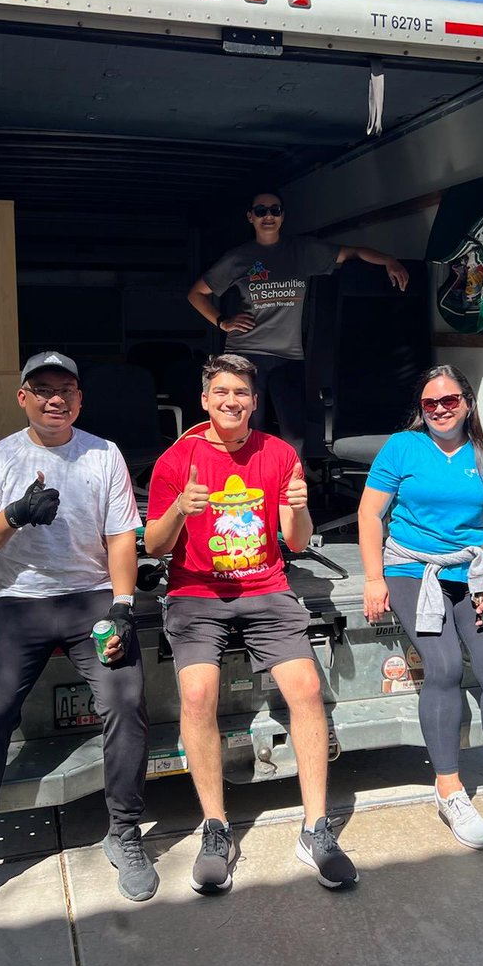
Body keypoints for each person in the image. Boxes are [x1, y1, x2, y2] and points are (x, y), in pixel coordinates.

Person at [0, 351, 156, 932]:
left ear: (80, 399)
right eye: (43, 388)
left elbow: (121, 537)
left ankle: (125, 833)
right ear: (23, 397)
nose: (55, 398)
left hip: (91, 601)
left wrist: (124, 607)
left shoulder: (103, 453)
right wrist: (15, 513)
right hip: (17, 603)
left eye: (67, 389)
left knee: (127, 700)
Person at [145, 353, 358, 893]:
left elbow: (297, 543)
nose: (231, 402)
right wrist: (179, 511)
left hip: (266, 588)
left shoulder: (279, 454)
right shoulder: (177, 460)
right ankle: (216, 829)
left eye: (241, 393)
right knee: (198, 695)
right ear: (205, 399)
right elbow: (154, 545)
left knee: (307, 688)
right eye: (221, 392)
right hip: (196, 592)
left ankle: (315, 828)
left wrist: (300, 507)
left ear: (254, 402)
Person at [358, 364, 483, 850]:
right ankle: (450, 790)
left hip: (474, 573)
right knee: (441, 669)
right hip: (411, 570)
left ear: (467, 402)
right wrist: (374, 577)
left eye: (449, 400)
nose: (440, 409)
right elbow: (370, 513)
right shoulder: (402, 447)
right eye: (429, 403)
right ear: (420, 409)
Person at [187, 191, 409, 454]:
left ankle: (291, 491)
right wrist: (223, 321)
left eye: (275, 210)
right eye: (260, 211)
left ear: (283, 215)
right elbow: (196, 293)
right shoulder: (239, 258)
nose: (268, 215)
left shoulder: (303, 251)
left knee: (295, 434)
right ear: (250, 216)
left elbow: (353, 253)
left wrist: (389, 260)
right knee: (246, 429)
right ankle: (246, 490)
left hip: (288, 356)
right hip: (245, 354)